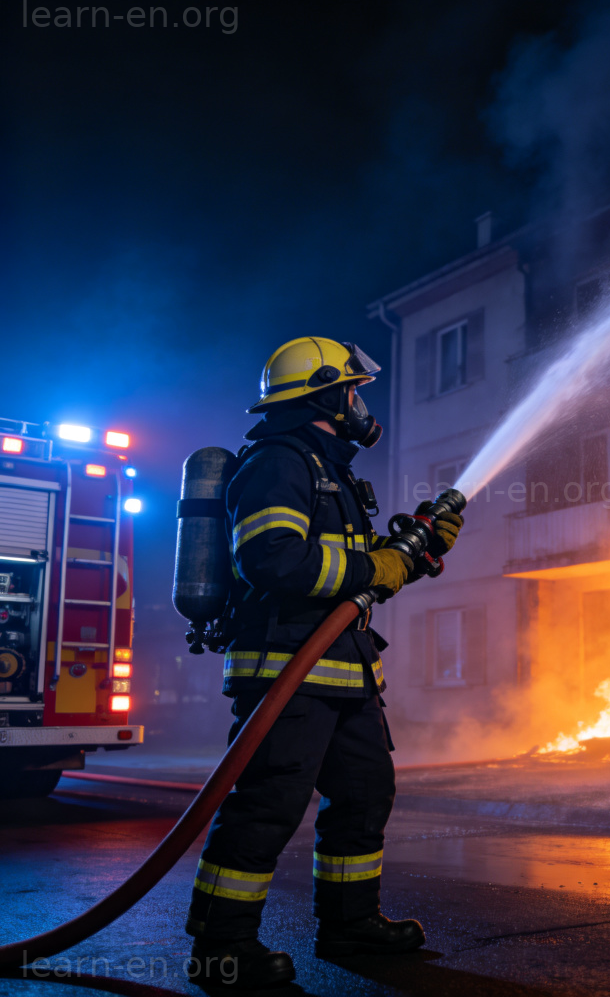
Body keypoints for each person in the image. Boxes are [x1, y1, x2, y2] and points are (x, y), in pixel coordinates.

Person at [185, 337, 462, 988]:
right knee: (267, 807)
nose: (362, 403)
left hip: (344, 674)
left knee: (366, 794)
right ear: (329, 394)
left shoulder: (329, 470)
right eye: (355, 390)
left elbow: (358, 582)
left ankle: (349, 924)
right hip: (287, 674)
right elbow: (275, 561)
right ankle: (221, 948)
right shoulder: (278, 464)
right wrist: (379, 564)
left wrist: (413, 553)